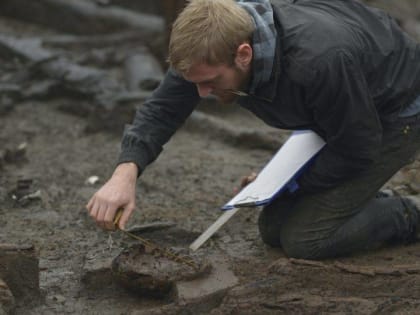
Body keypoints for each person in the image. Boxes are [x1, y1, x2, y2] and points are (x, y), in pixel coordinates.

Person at [87, 0, 420, 260]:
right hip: (342, 106)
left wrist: (287, 183)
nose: (201, 94)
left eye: (211, 83)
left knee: (306, 239)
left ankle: (411, 211)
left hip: (394, 111)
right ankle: (359, 200)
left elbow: (357, 146)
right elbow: (162, 108)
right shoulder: (208, 46)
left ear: (244, 54)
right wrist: (124, 173)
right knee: (273, 228)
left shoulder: (318, 62)